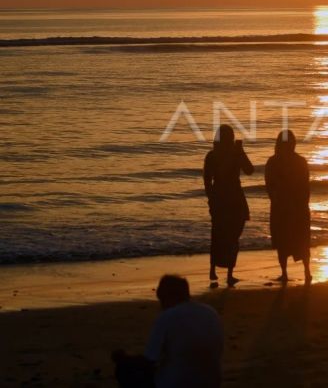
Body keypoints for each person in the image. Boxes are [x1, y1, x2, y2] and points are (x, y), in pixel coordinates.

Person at [112, 275, 223, 388]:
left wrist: (124, 359)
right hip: (211, 382)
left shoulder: (167, 317)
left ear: (166, 296)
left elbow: (149, 361)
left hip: (176, 383)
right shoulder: (210, 312)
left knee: (125, 369)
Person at [203, 125, 254, 287]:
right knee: (230, 236)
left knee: (220, 234)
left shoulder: (214, 155)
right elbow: (250, 170)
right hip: (231, 198)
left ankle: (216, 270)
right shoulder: (219, 155)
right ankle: (226, 273)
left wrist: (211, 198)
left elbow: (249, 170)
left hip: (224, 198)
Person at [265, 130, 312, 283]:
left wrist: (275, 200)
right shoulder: (300, 161)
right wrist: (304, 204)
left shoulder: (272, 162)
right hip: (299, 207)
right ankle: (307, 271)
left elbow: (269, 186)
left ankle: (285, 273)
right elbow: (306, 186)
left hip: (281, 207)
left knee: (282, 241)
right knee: (302, 239)